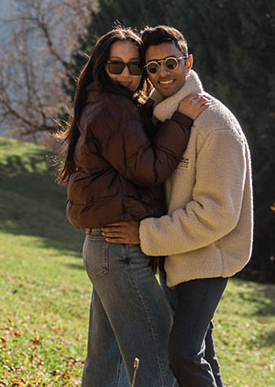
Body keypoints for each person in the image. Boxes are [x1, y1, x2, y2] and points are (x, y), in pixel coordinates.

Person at [59, 26, 212, 387]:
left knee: (106, 362)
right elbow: (149, 170)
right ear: (101, 67)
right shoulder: (114, 110)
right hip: (120, 252)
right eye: (116, 66)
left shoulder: (108, 103)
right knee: (160, 362)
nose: (127, 75)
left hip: (105, 248)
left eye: (135, 67)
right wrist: (183, 119)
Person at [103, 25, 252, 387]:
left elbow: (217, 213)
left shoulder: (214, 124)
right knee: (201, 355)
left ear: (187, 62)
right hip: (178, 257)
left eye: (171, 63)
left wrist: (145, 233)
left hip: (207, 259)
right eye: (152, 68)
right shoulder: (163, 117)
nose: (162, 73)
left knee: (183, 355)